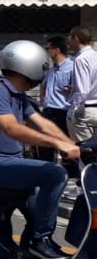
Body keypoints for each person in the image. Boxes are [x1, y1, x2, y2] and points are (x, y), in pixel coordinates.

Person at [0, 40, 81, 259]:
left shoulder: (18, 96)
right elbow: (11, 128)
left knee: (37, 210)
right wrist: (56, 144)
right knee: (55, 173)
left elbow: (43, 123)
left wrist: (70, 143)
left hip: (6, 165)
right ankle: (41, 242)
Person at [38, 35, 74, 164]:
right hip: (48, 111)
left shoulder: (72, 68)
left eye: (48, 48)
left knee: (67, 146)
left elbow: (80, 89)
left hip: (63, 112)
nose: (46, 51)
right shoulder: (51, 70)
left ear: (57, 50)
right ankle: (47, 171)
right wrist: (42, 100)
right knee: (44, 145)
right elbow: (43, 84)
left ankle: (72, 175)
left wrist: (72, 90)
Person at [64, 27, 97, 144]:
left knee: (84, 151)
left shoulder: (81, 59)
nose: (68, 41)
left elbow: (83, 91)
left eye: (70, 37)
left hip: (85, 111)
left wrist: (73, 111)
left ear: (76, 39)